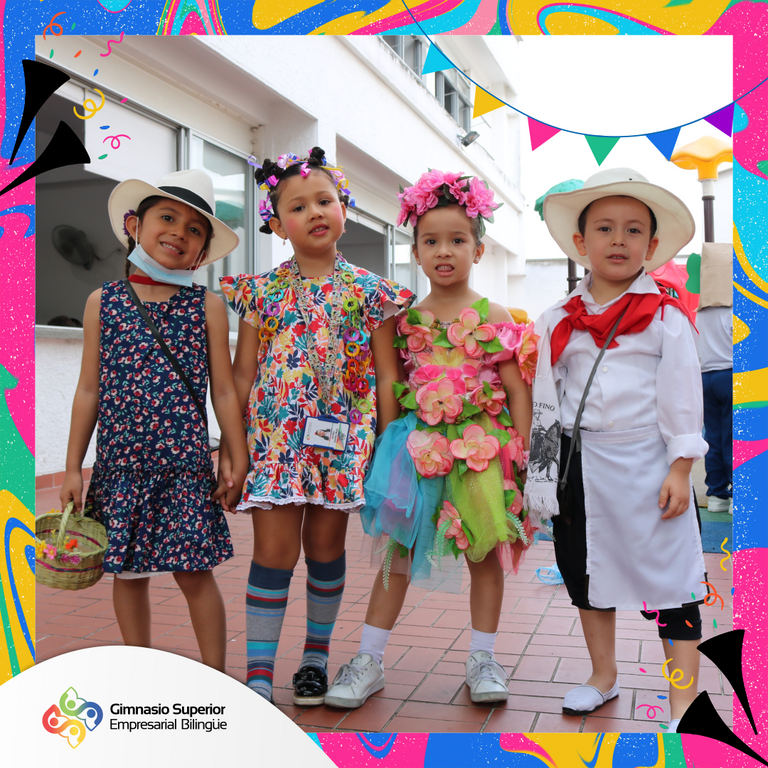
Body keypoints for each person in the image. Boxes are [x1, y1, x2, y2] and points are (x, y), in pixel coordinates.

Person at [324, 170, 536, 709]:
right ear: (415, 252)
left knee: (484, 553)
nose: (444, 251)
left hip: (482, 451)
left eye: (457, 240)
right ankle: (368, 659)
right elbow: (391, 388)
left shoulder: (495, 316)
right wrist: (384, 446)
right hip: (415, 450)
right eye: (431, 241)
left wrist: (521, 451)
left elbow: (517, 389)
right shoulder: (403, 320)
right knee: (397, 554)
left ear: (478, 250)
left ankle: (483, 659)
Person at [218, 148, 414, 706]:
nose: (314, 212)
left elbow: (387, 376)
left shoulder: (371, 293)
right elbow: (240, 376)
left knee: (326, 550)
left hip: (344, 445)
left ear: (344, 210)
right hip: (275, 444)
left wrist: (389, 451)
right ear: (278, 225)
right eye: (298, 207)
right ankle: (259, 674)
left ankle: (314, 660)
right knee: (273, 553)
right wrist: (232, 450)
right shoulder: (261, 292)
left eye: (325, 200)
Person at [525, 168, 709, 732]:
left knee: (675, 584)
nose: (619, 240)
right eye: (604, 228)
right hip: (582, 467)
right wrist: (541, 477)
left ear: (651, 247)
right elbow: (546, 402)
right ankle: (603, 675)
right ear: (580, 242)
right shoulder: (557, 319)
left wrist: (681, 467)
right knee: (585, 572)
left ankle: (683, 703)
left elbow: (683, 395)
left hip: (652, 464)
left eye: (634, 230)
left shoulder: (667, 316)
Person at [60, 169, 250, 672]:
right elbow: (88, 389)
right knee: (127, 575)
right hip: (120, 467)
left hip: (184, 467)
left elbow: (224, 390)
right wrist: (73, 467)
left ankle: (216, 678)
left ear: (202, 252)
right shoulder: (103, 302)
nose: (179, 233)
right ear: (134, 226)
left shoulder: (207, 306)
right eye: (167, 218)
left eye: (194, 229)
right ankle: (140, 671)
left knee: (195, 574)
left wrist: (236, 457)